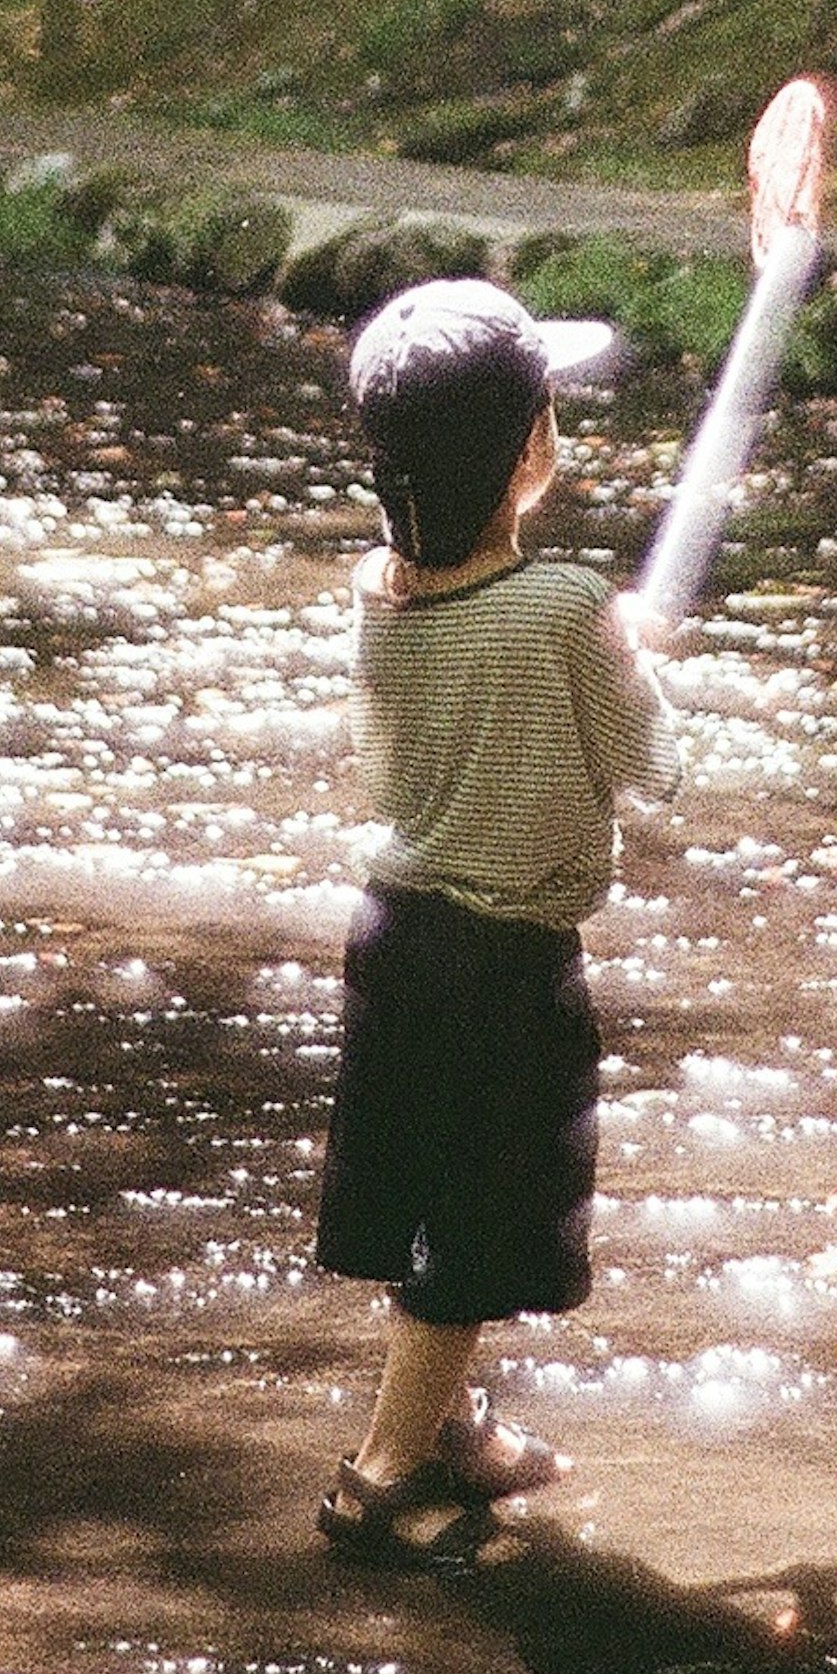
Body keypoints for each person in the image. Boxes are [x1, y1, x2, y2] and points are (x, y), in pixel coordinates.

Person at [313, 275, 675, 1564]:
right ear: (533, 448)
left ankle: (451, 1424)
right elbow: (648, 768)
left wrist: (604, 638)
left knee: (426, 1191)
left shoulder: (376, 585)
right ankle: (390, 1469)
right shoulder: (566, 608)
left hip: (394, 939)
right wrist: (639, 657)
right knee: (474, 1226)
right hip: (504, 960)